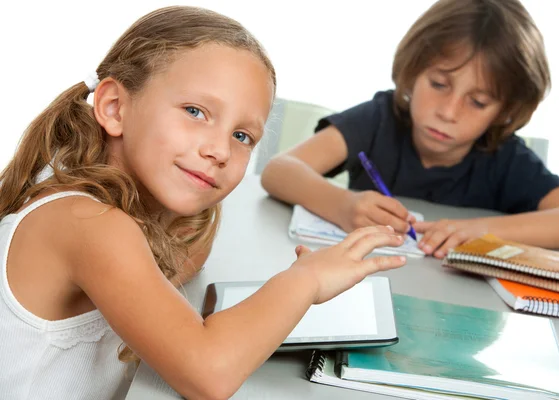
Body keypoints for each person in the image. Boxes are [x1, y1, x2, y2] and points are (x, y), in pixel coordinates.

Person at [0, 7, 406, 400]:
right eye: (196, 111)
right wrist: (307, 279)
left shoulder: (112, 203)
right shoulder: (86, 221)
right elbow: (209, 374)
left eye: (242, 136)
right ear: (114, 108)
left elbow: (189, 254)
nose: (220, 151)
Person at [261, 0, 559, 259]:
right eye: (439, 84)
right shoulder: (380, 119)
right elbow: (279, 171)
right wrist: (344, 206)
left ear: (505, 112)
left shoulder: (506, 158)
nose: (449, 112)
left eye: (478, 102)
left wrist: (483, 231)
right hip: (366, 286)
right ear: (413, 70)